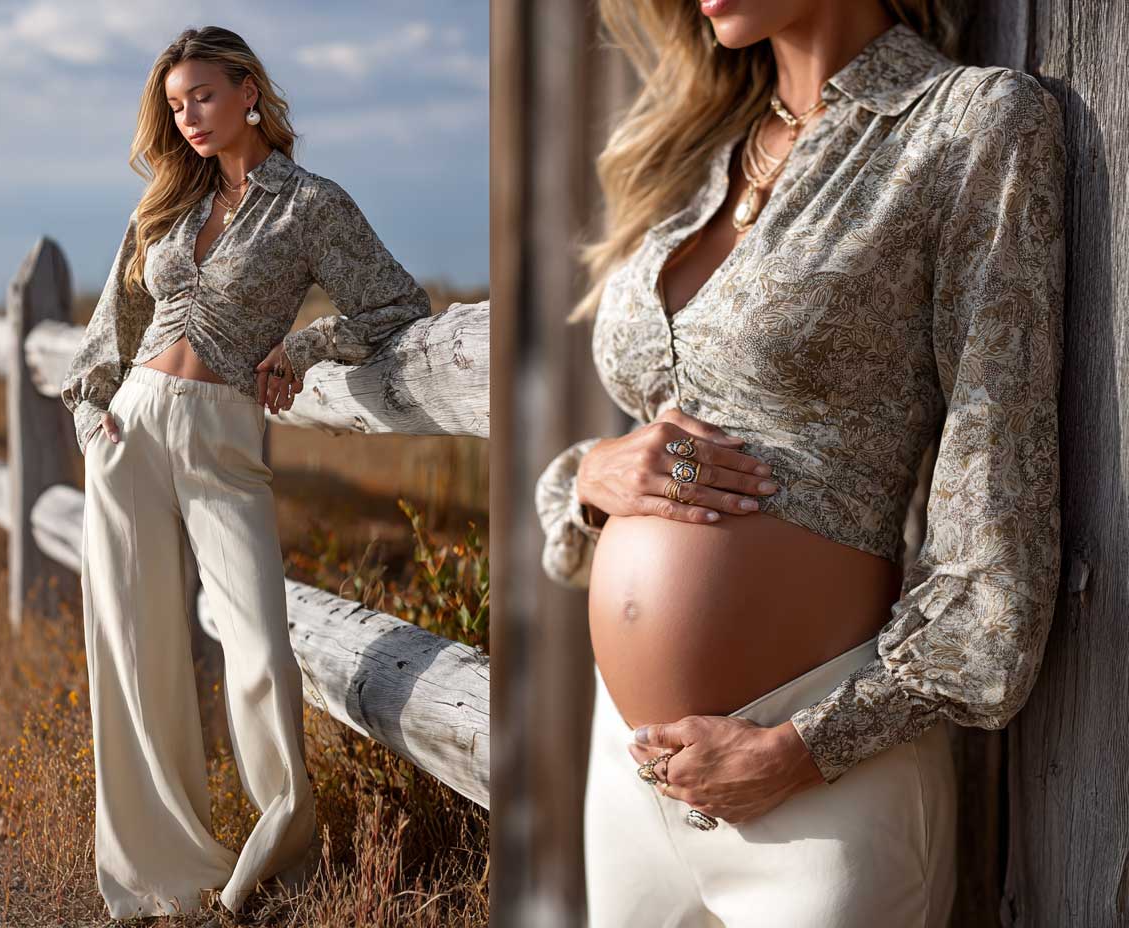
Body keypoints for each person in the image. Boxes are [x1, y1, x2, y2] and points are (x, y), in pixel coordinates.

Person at [534, 2, 1066, 926]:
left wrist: (802, 749)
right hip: (628, 767)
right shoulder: (707, 151)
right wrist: (592, 477)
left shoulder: (969, 122)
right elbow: (654, 434)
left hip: (818, 778)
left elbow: (999, 498)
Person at [59, 25, 431, 922]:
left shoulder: (311, 204)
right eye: (176, 103)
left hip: (220, 434)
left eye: (204, 96)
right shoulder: (166, 204)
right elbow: (111, 324)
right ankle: (163, 873)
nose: (189, 116)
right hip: (128, 431)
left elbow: (396, 302)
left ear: (248, 92)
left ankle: (271, 868)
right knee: (132, 650)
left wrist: (303, 345)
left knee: (260, 646)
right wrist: (89, 418)